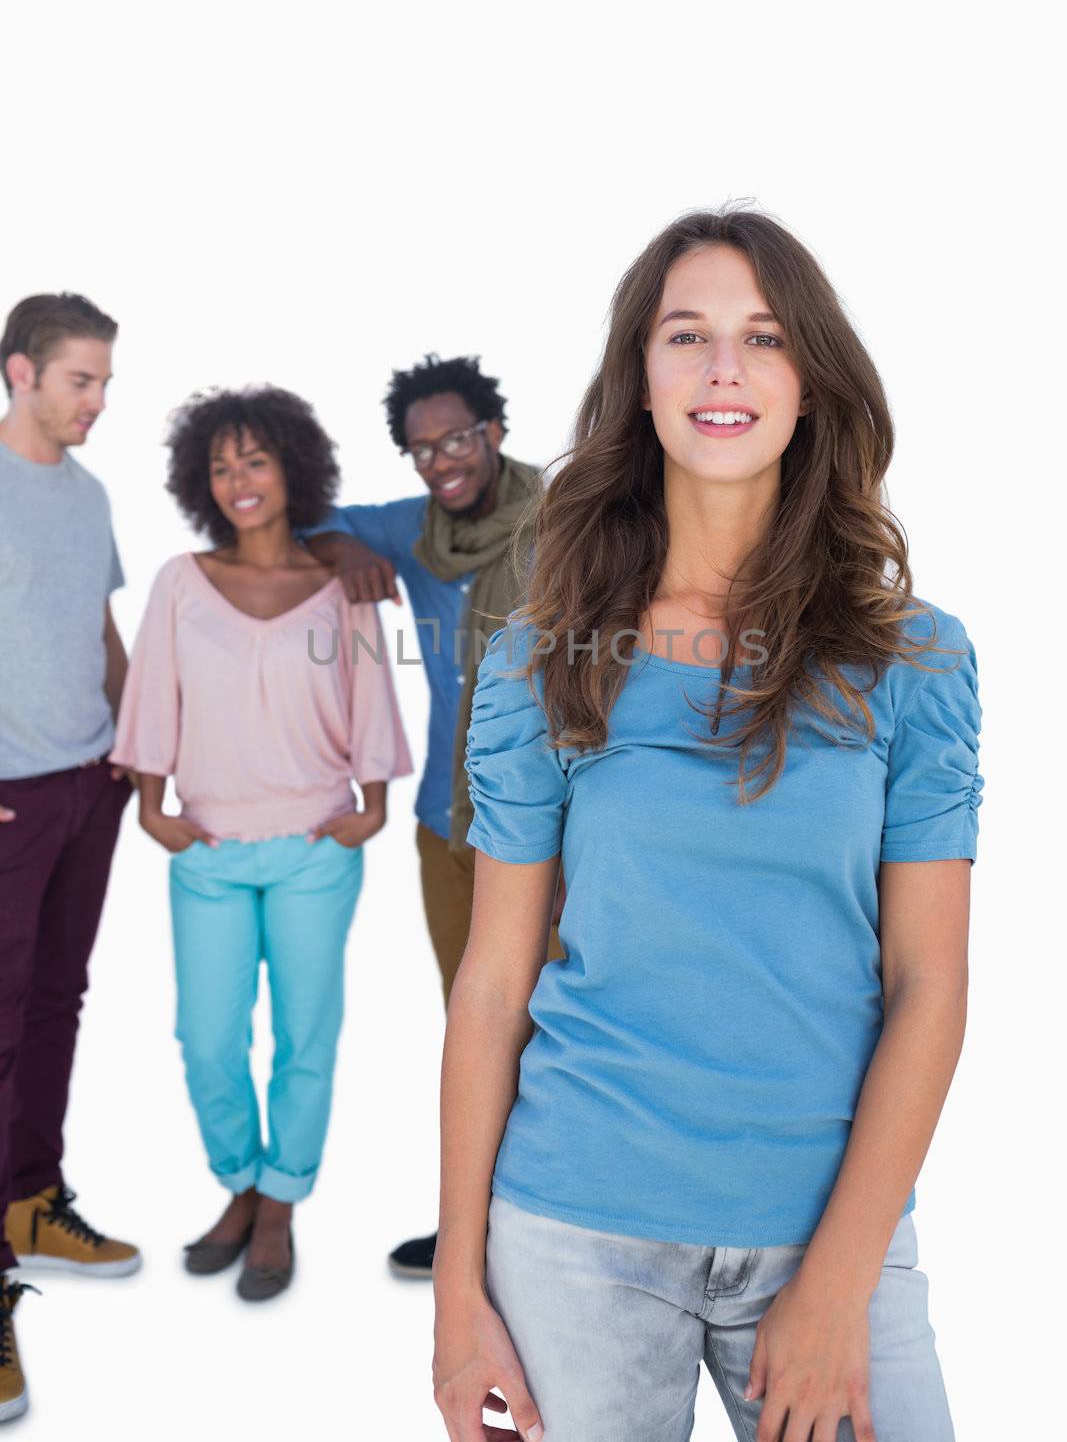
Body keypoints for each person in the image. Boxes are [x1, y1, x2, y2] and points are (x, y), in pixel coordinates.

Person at [432, 209, 984, 1442]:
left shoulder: (914, 657)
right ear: (640, 382)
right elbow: (493, 981)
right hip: (573, 1227)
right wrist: (458, 1292)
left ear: (808, 385)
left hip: (827, 1219)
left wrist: (838, 1277)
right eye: (686, 335)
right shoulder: (538, 658)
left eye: (762, 337)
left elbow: (928, 983)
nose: (722, 368)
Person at [110, 385, 413, 1302]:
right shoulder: (179, 582)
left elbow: (370, 698)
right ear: (202, 482)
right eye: (221, 465)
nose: (239, 479)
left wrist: (371, 806)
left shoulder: (339, 587)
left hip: (317, 845)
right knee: (205, 1037)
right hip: (206, 846)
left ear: (292, 467)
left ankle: (281, 1202)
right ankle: (238, 1183)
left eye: (256, 459)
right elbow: (152, 691)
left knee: (305, 1038)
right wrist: (151, 806)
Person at [300, 353, 563, 1279]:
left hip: (553, 827)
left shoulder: (564, 518)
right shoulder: (415, 530)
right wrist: (349, 552)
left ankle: (549, 1229)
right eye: (420, 449)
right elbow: (307, 520)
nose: (441, 460)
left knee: (555, 1029)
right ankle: (474, 1227)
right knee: (475, 1027)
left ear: (493, 431)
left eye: (455, 438)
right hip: (444, 822)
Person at [0, 294, 141, 1427]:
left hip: (88, 782)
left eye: (103, 380)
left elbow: (100, 635)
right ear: (19, 374)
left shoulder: (87, 495)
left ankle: (31, 1199)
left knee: (58, 999)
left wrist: (137, 753)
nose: (98, 400)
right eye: (79, 380)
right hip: (6, 795)